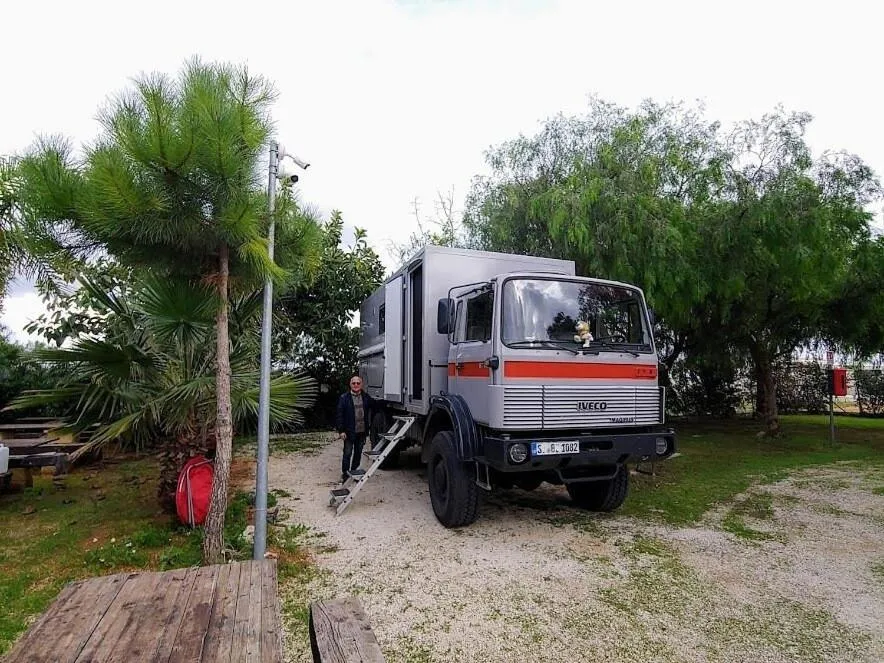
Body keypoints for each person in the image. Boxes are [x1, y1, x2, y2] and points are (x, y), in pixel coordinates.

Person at [335, 375, 375, 483]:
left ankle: (354, 473)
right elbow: (339, 415)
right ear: (350, 384)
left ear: (361, 385)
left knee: (358, 454)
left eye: (358, 383)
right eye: (354, 383)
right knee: (347, 454)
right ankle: (345, 475)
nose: (356, 385)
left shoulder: (366, 397)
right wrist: (341, 431)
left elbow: (375, 405)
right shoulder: (344, 398)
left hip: (361, 432)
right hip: (349, 432)